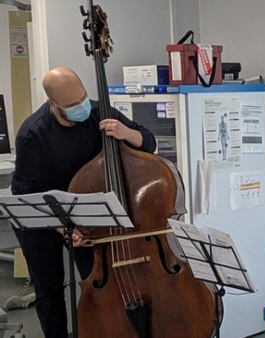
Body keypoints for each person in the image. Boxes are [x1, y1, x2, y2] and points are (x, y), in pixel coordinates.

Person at [10, 67, 157, 338]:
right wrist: (65, 229)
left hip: (89, 214)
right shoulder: (33, 134)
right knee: (49, 288)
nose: (81, 107)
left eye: (83, 98)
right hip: (45, 218)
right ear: (52, 105)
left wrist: (128, 132)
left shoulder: (99, 111)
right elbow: (29, 196)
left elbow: (148, 142)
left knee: (97, 281)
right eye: (72, 105)